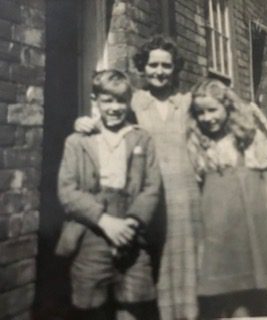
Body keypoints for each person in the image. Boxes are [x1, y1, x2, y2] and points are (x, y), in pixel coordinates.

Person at [74, 35, 200, 320]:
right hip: (148, 197)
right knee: (147, 266)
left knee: (185, 264)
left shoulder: (186, 102)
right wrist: (85, 122)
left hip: (184, 197)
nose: (159, 71)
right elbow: (108, 113)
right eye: (153, 64)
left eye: (166, 66)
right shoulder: (136, 100)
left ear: (174, 69)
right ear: (143, 67)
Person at [56, 70, 161, 320]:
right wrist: (105, 221)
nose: (114, 107)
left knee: (133, 304)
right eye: (107, 100)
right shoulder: (78, 141)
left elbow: (152, 187)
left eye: (120, 101)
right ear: (96, 101)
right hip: (91, 232)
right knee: (91, 306)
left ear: (129, 102)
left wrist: (130, 225)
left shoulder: (141, 138)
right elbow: (67, 191)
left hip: (131, 232)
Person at [187, 78, 267, 318]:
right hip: (217, 233)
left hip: (253, 228)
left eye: (212, 110)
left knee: (254, 295)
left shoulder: (248, 137)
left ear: (227, 107)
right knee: (223, 295)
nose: (207, 118)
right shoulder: (198, 143)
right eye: (200, 113)